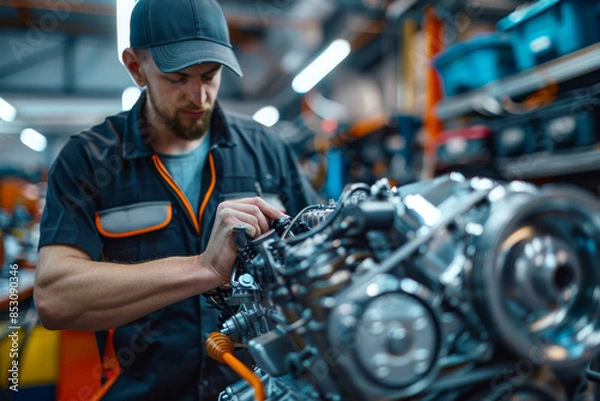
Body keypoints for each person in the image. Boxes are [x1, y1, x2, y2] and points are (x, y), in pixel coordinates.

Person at [34, 0, 320, 400]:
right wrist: (202, 269)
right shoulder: (88, 159)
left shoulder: (267, 149)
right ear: (135, 67)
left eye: (210, 75)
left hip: (259, 388)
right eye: (178, 77)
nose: (198, 95)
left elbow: (319, 252)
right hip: (142, 391)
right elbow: (54, 297)